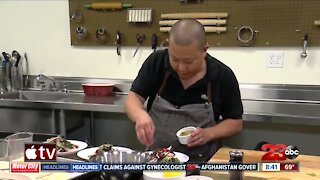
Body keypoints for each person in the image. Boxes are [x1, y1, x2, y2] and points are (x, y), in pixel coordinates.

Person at [125, 19, 243, 162]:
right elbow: (134, 98)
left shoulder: (222, 76)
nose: (181, 68)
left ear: (204, 50)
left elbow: (235, 123)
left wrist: (208, 133)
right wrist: (139, 115)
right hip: (157, 160)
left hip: (202, 164)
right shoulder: (156, 62)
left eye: (188, 62)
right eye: (174, 59)